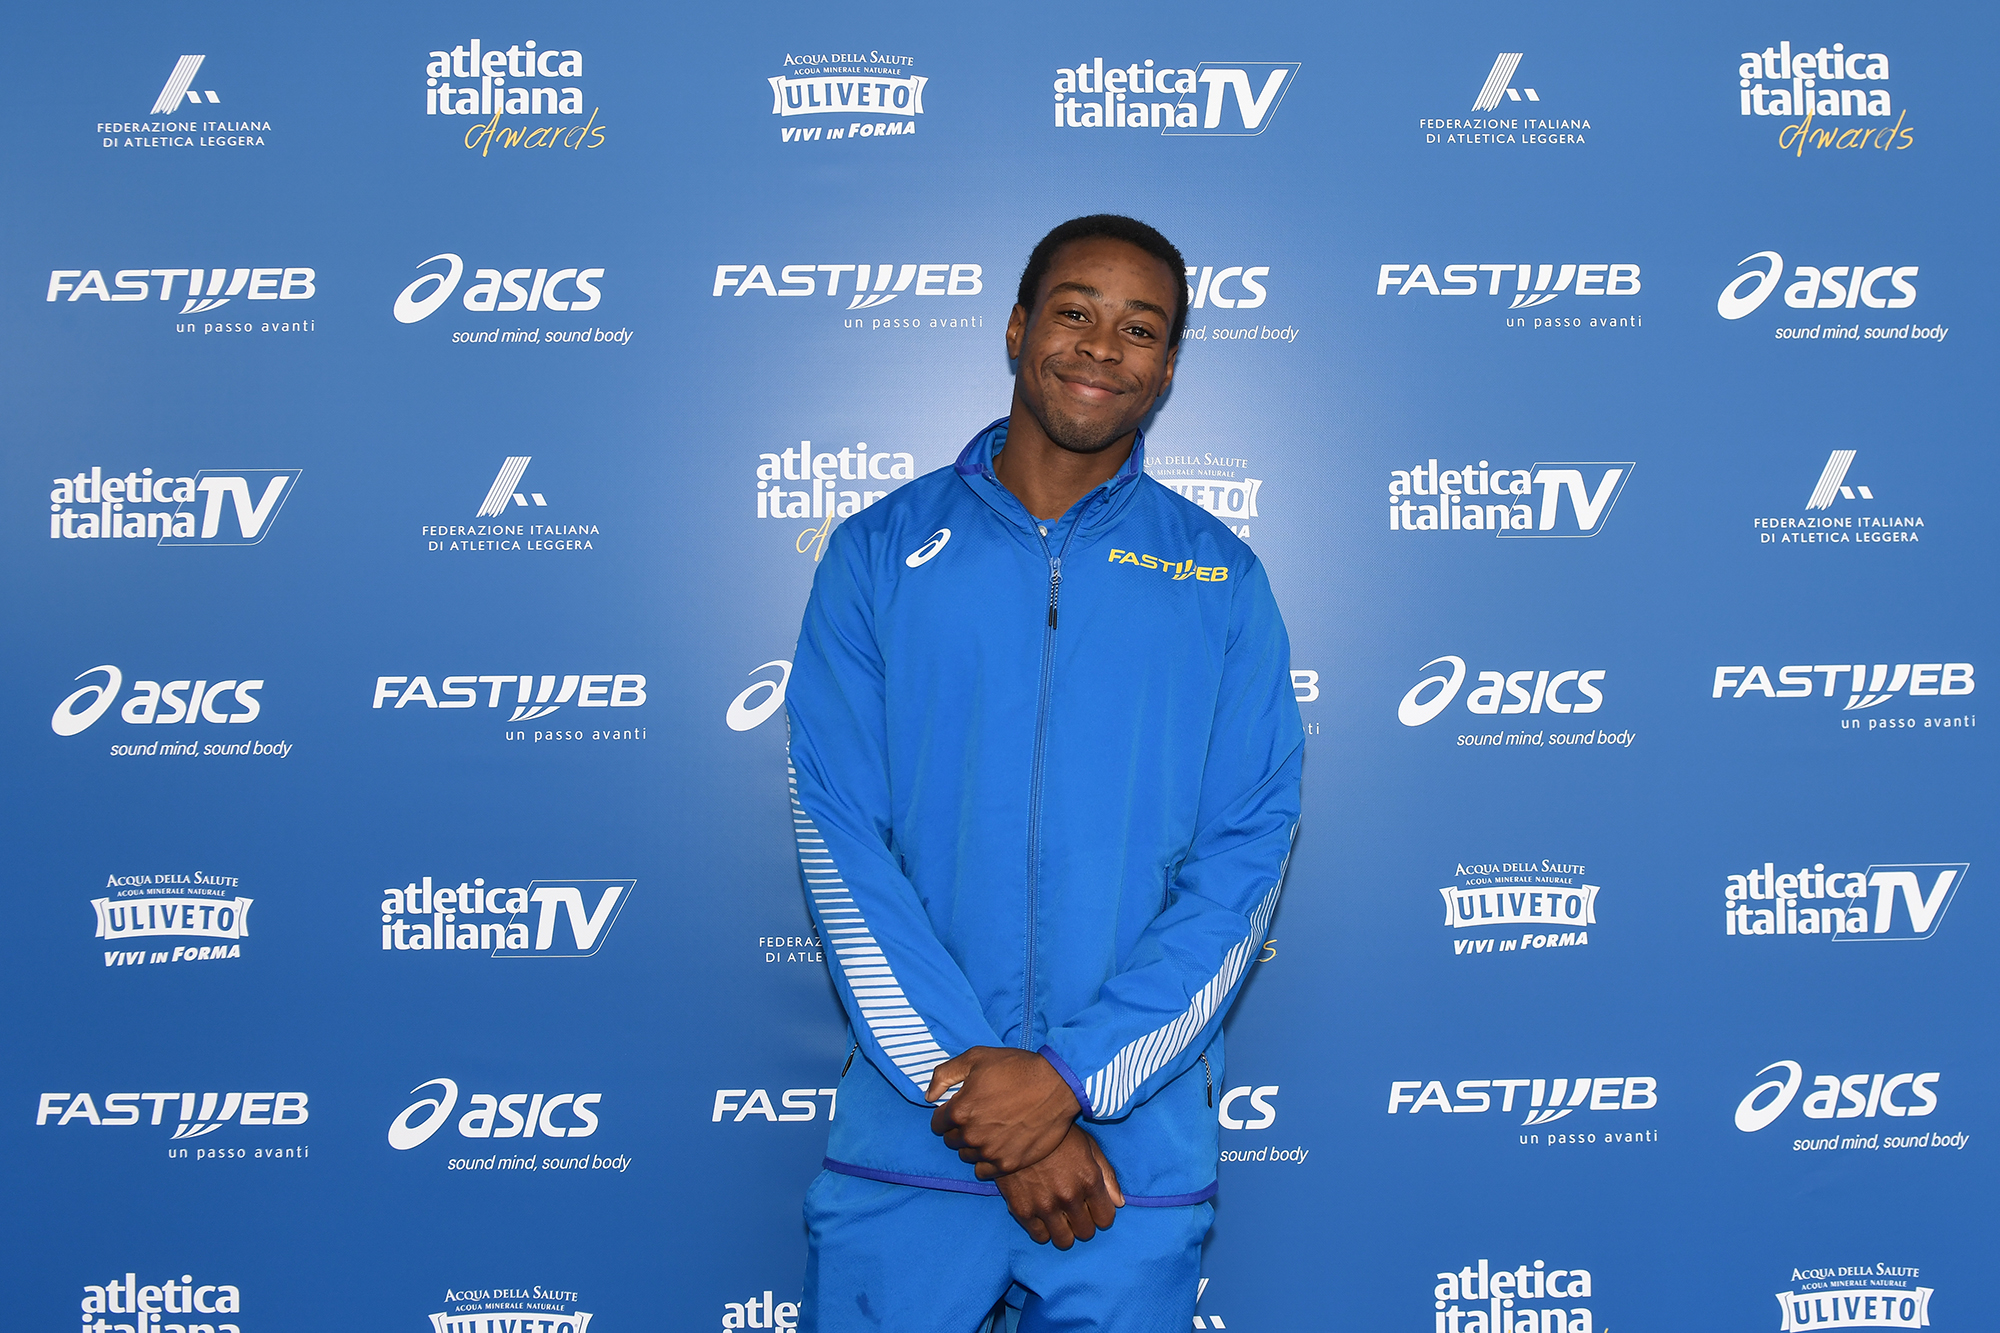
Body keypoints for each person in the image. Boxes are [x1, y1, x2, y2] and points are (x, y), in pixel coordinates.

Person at [785, 214, 1304, 1332]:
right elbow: (839, 836)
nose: (1101, 346)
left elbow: (1244, 861)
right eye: (1074, 311)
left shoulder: (1222, 580)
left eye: (1140, 328)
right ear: (1019, 327)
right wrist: (989, 1104)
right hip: (914, 1144)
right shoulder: (875, 552)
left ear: (1168, 366)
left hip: (1125, 1162)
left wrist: (1068, 1081)